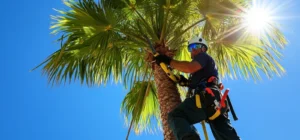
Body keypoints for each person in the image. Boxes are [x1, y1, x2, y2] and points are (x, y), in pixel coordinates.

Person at [154, 36, 240, 140]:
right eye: (191, 48)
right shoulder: (201, 72)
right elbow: (196, 81)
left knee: (176, 116)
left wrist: (168, 60)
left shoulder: (203, 56)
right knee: (226, 135)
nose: (193, 49)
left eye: (196, 46)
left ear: (203, 48)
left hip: (207, 99)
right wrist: (185, 82)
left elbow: (189, 67)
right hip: (216, 104)